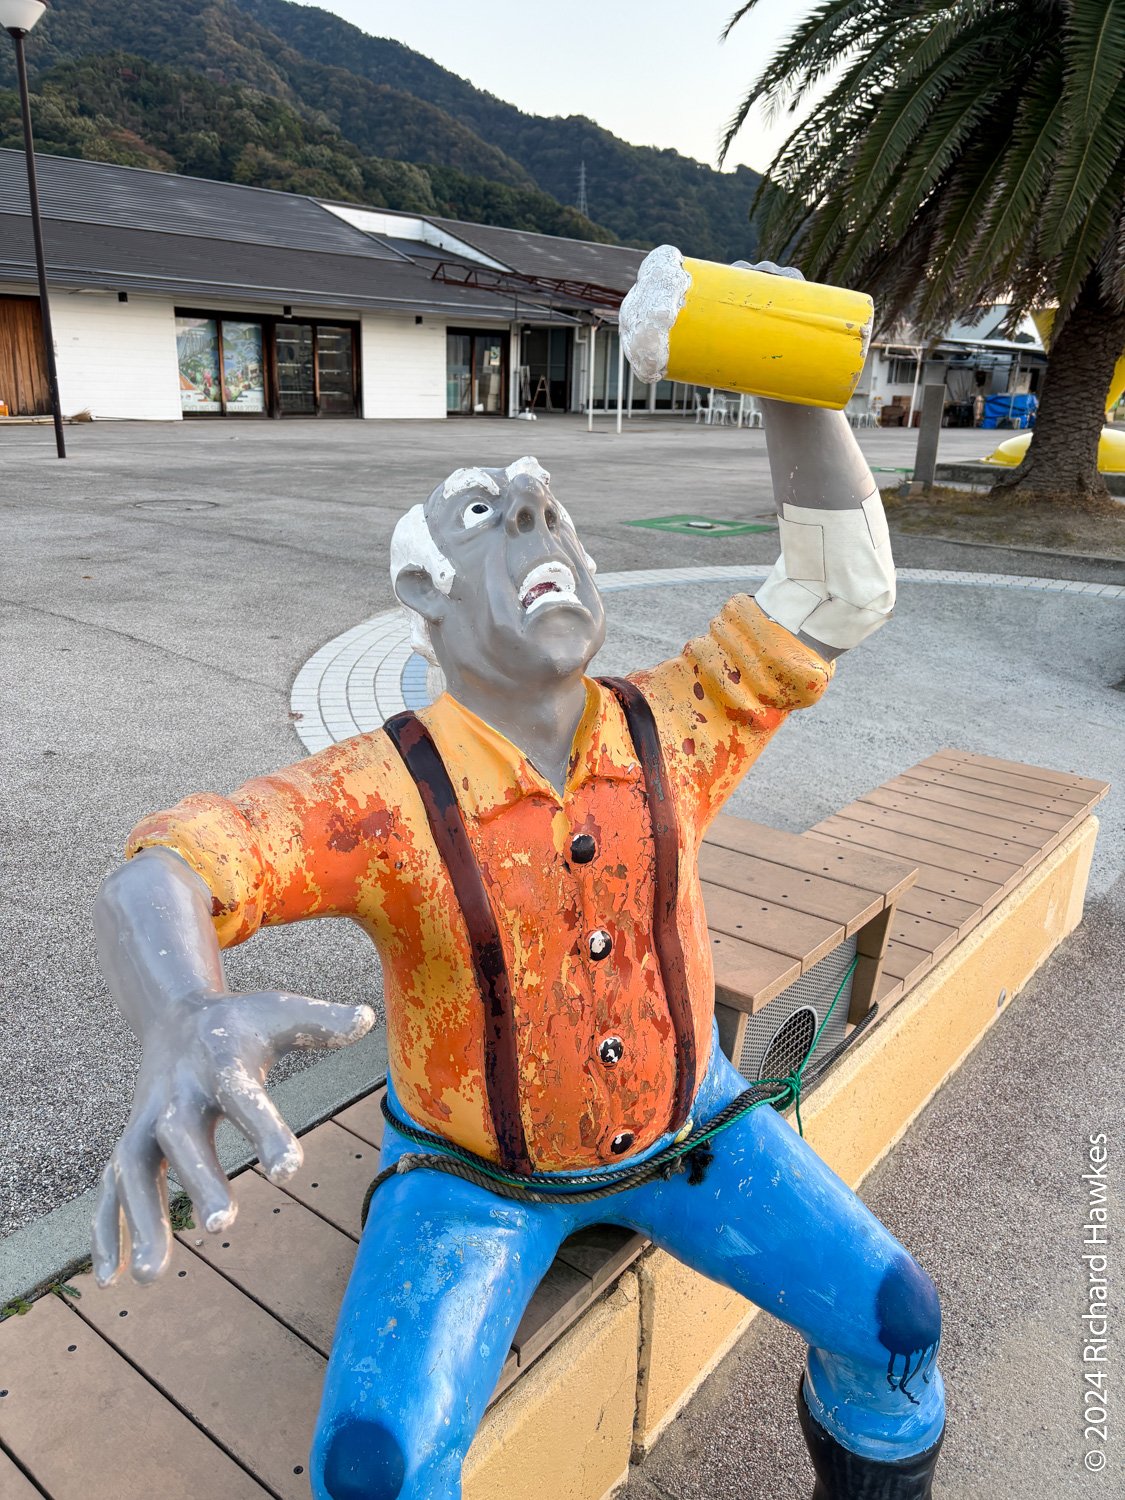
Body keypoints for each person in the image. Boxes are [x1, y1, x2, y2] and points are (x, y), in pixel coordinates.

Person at [91, 311, 943, 1500]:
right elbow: (177, 862)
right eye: (487, 511)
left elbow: (841, 589)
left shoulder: (668, 725)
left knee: (900, 1325)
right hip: (474, 1176)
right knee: (375, 1474)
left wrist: (786, 367)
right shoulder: (383, 795)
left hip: (693, 1128)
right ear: (422, 591)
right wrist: (182, 1007)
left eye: (552, 507)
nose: (540, 514)